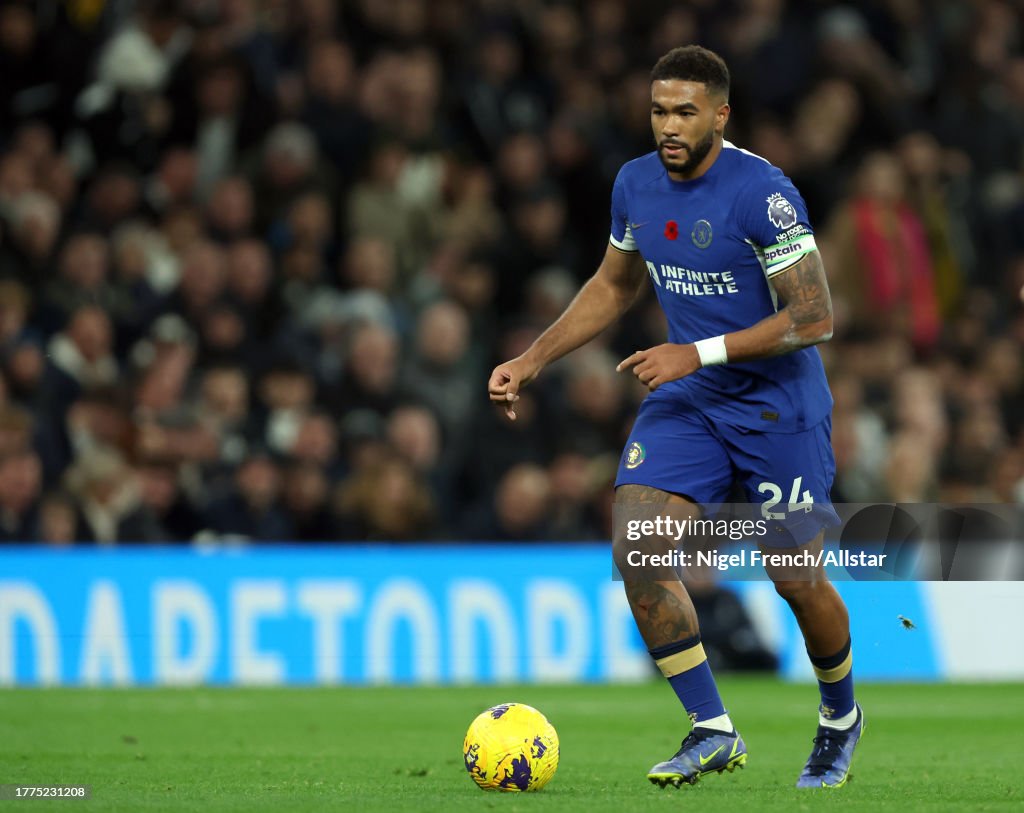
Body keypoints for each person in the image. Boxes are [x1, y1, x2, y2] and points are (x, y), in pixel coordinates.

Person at [488, 45, 862, 789]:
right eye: (659, 110)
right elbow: (612, 283)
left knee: (795, 577)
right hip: (691, 404)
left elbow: (816, 315)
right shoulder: (635, 184)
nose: (669, 125)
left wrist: (698, 352)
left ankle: (839, 717)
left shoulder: (764, 193)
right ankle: (711, 727)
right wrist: (533, 357)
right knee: (638, 545)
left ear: (721, 115)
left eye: (685, 111)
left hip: (775, 405)